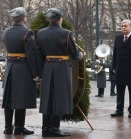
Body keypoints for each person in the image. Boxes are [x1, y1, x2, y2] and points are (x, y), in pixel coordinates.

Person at [36, 8, 82, 137]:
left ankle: (46, 128)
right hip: (62, 67)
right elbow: (74, 53)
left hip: (47, 66)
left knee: (47, 98)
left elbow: (38, 54)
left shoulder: (40, 33)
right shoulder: (66, 33)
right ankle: (55, 129)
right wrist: (80, 56)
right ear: (59, 19)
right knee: (60, 98)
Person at [2, 7, 39, 135]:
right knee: (21, 98)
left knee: (8, 98)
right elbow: (31, 55)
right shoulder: (27, 32)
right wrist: (35, 73)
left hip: (10, 66)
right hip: (22, 67)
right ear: (23, 18)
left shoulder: (6, 32)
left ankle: (7, 127)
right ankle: (19, 127)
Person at [110, 19, 131, 118]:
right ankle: (119, 109)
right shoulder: (118, 38)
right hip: (120, 69)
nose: (123, 28)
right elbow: (115, 54)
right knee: (120, 91)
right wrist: (114, 66)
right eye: (122, 26)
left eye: (125, 26)